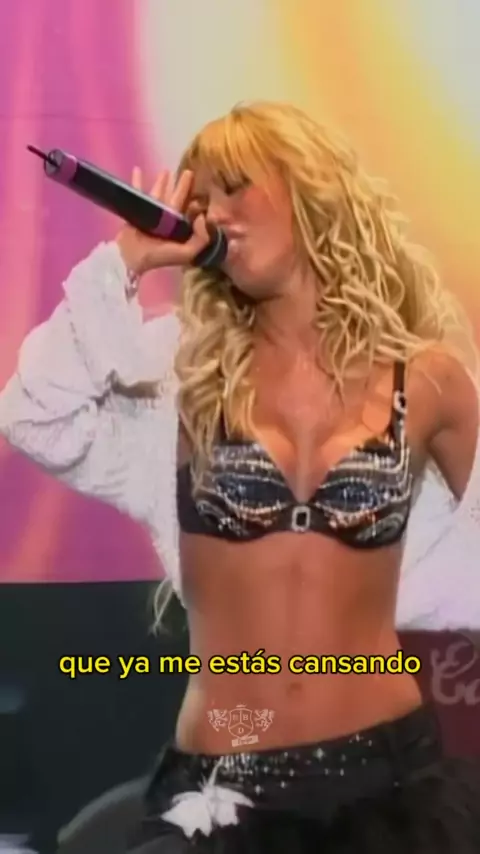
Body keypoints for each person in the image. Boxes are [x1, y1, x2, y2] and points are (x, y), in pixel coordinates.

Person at [1, 100, 480, 853]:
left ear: (312, 190)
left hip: (388, 779)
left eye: (235, 187)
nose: (214, 213)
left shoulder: (426, 380)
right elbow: (34, 416)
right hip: (225, 775)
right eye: (200, 200)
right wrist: (126, 261)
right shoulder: (182, 371)